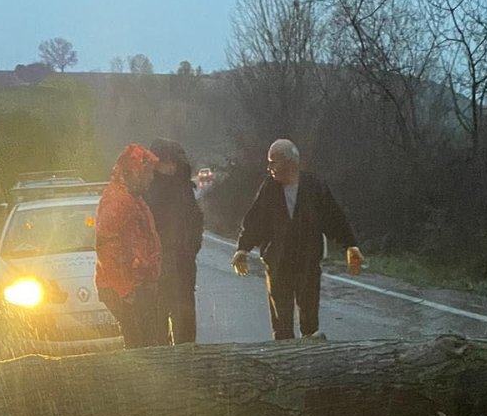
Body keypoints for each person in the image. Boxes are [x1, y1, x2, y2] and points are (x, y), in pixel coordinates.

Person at [231, 139, 363, 339]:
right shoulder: (269, 188)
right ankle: (284, 363)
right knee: (281, 325)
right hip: (278, 262)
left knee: (309, 323)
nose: (270, 168)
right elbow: (255, 221)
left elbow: (334, 219)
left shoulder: (314, 186)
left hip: (307, 263)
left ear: (289, 161)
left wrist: (350, 245)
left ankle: (308, 362)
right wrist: (242, 249)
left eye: (273, 162)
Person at [95, 144, 162, 348]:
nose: (151, 179)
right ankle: (141, 379)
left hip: (135, 283)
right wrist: (125, 289)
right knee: (140, 347)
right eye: (147, 173)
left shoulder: (133, 198)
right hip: (125, 287)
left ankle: (146, 377)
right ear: (134, 173)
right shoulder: (117, 201)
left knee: (145, 343)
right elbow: (106, 248)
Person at [147, 138, 203, 345]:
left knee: (185, 320)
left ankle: (187, 361)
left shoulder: (184, 188)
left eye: (173, 162)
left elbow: (196, 220)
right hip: (157, 266)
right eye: (165, 162)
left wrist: (191, 248)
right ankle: (164, 366)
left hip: (182, 264)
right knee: (158, 319)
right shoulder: (148, 188)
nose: (170, 167)